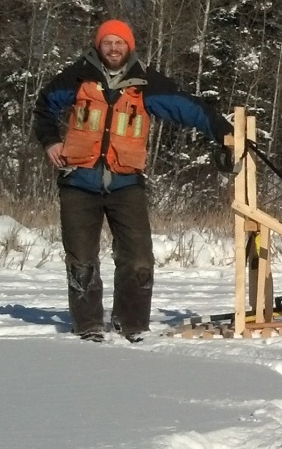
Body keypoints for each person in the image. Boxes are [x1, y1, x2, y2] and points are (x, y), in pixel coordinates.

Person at [31, 19, 233, 343]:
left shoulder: (146, 82)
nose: (113, 48)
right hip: (78, 182)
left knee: (139, 259)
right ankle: (88, 326)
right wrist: (50, 141)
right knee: (82, 259)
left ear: (129, 46)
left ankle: (132, 324)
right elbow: (44, 106)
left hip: (126, 183)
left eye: (119, 43)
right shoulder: (78, 76)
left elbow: (189, 107)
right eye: (108, 42)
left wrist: (224, 132)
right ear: (99, 45)